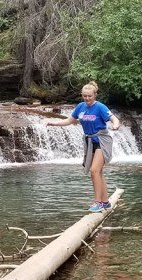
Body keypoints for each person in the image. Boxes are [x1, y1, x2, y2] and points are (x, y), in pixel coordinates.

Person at [47, 81, 120, 212]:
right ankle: (105, 202)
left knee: (94, 171)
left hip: (102, 140)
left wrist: (115, 125)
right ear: (82, 95)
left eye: (89, 96)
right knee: (98, 172)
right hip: (89, 141)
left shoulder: (100, 107)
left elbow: (114, 118)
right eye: (84, 96)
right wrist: (54, 123)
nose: (87, 98)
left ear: (95, 95)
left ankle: (97, 203)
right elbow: (70, 120)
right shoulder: (80, 106)